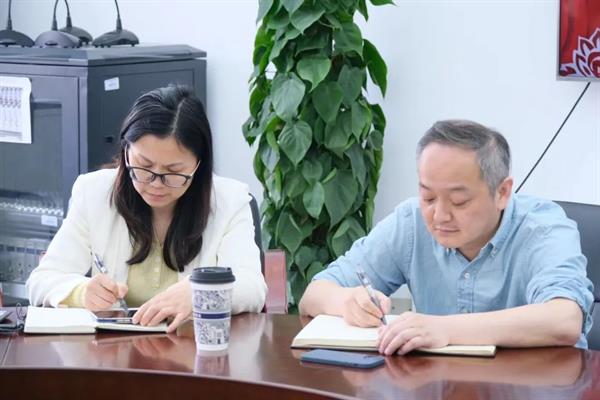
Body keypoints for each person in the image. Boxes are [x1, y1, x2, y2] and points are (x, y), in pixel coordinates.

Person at [299, 119, 594, 352]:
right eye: (428, 197)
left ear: (502, 192)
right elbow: (313, 295)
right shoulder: (410, 222)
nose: (439, 215)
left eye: (459, 201)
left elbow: (565, 319)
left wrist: (445, 329)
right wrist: (348, 300)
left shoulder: (543, 229)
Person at [27, 85, 267, 332]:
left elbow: (253, 288)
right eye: (144, 166)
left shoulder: (230, 201)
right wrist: (82, 292)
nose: (156, 184)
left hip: (194, 347)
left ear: (199, 164)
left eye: (173, 171)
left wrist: (200, 292)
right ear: (126, 151)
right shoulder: (94, 192)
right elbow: (42, 280)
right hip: (114, 350)